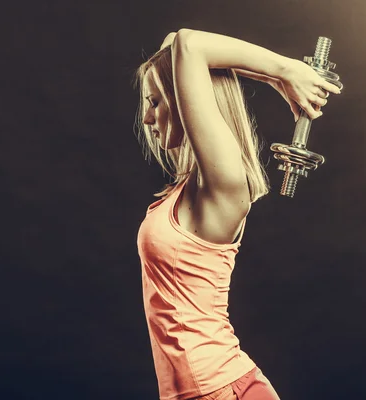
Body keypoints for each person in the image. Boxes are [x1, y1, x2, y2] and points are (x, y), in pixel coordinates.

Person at [135, 29, 341, 400]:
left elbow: (189, 45)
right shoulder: (191, 185)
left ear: (185, 100)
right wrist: (277, 80)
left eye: (155, 101)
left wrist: (287, 70)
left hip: (220, 390)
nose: (148, 118)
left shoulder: (224, 184)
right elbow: (173, 43)